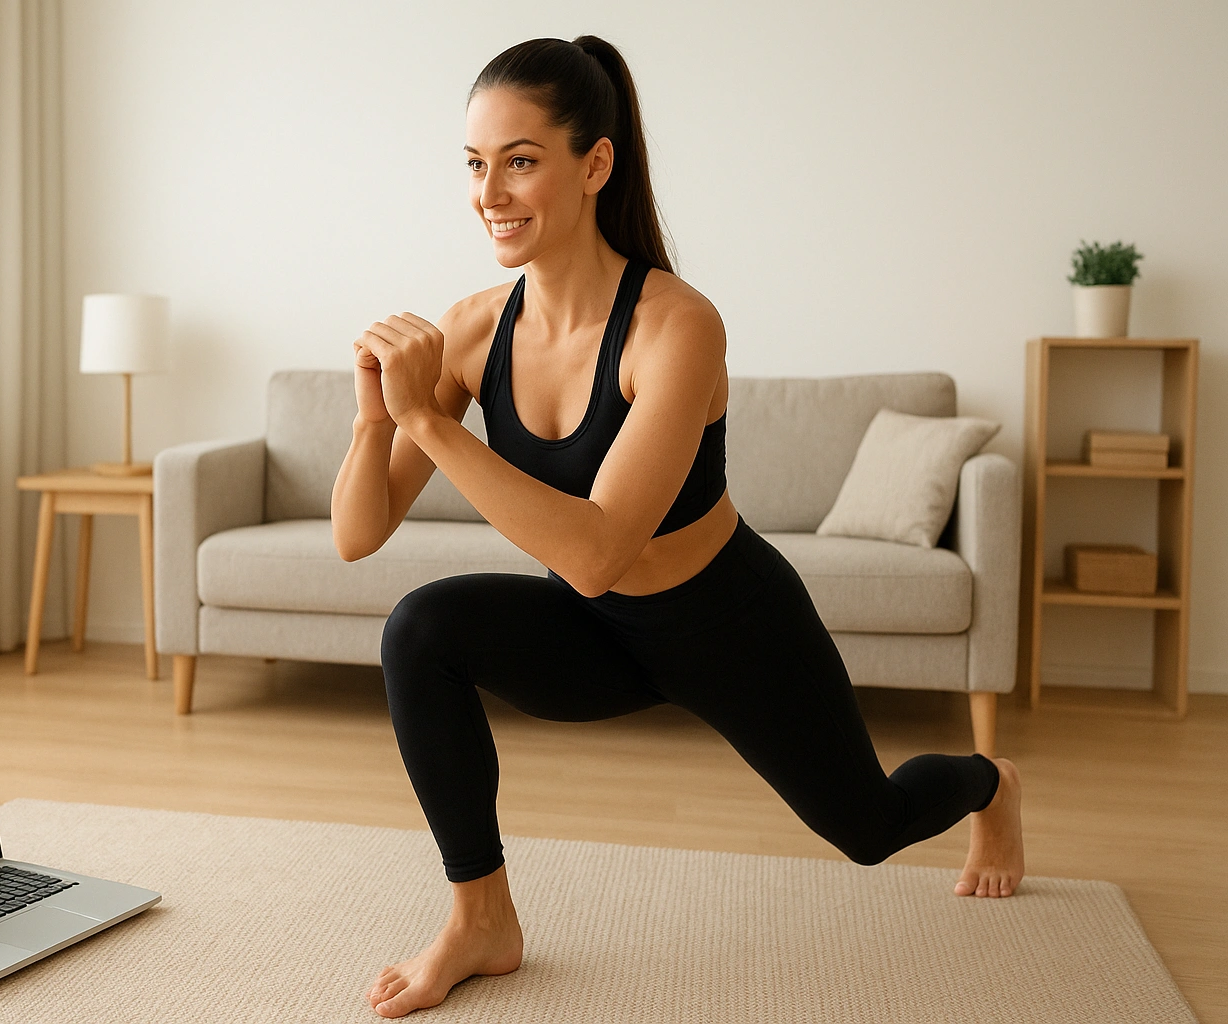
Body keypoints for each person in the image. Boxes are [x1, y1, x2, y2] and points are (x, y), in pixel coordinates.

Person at [331, 35, 1025, 1020]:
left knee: (869, 827)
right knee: (419, 628)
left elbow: (599, 546)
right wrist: (375, 416)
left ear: (595, 164)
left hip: (725, 624)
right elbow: (357, 535)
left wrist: (430, 420)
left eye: (521, 160)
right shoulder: (476, 328)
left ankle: (990, 784)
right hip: (593, 631)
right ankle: (481, 917)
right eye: (476, 164)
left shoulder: (675, 325)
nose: (491, 191)